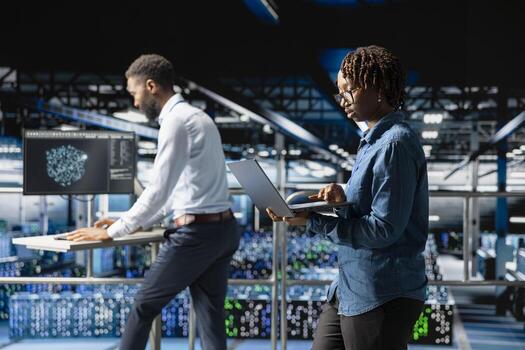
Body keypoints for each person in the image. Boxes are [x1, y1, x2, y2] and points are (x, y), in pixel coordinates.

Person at [66, 54, 240, 350]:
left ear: (151, 86)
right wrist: (123, 219)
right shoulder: (198, 117)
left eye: (134, 92)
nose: (134, 102)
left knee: (143, 305)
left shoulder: (177, 122)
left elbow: (159, 190)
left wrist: (113, 232)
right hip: (222, 231)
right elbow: (176, 193)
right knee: (210, 318)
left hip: (197, 236)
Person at [267, 45, 429, 350]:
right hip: (351, 286)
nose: (343, 99)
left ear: (377, 88)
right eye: (340, 91)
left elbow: (384, 229)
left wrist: (314, 222)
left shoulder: (394, 144)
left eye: (349, 90)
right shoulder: (370, 142)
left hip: (382, 293)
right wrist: (341, 198)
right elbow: (368, 207)